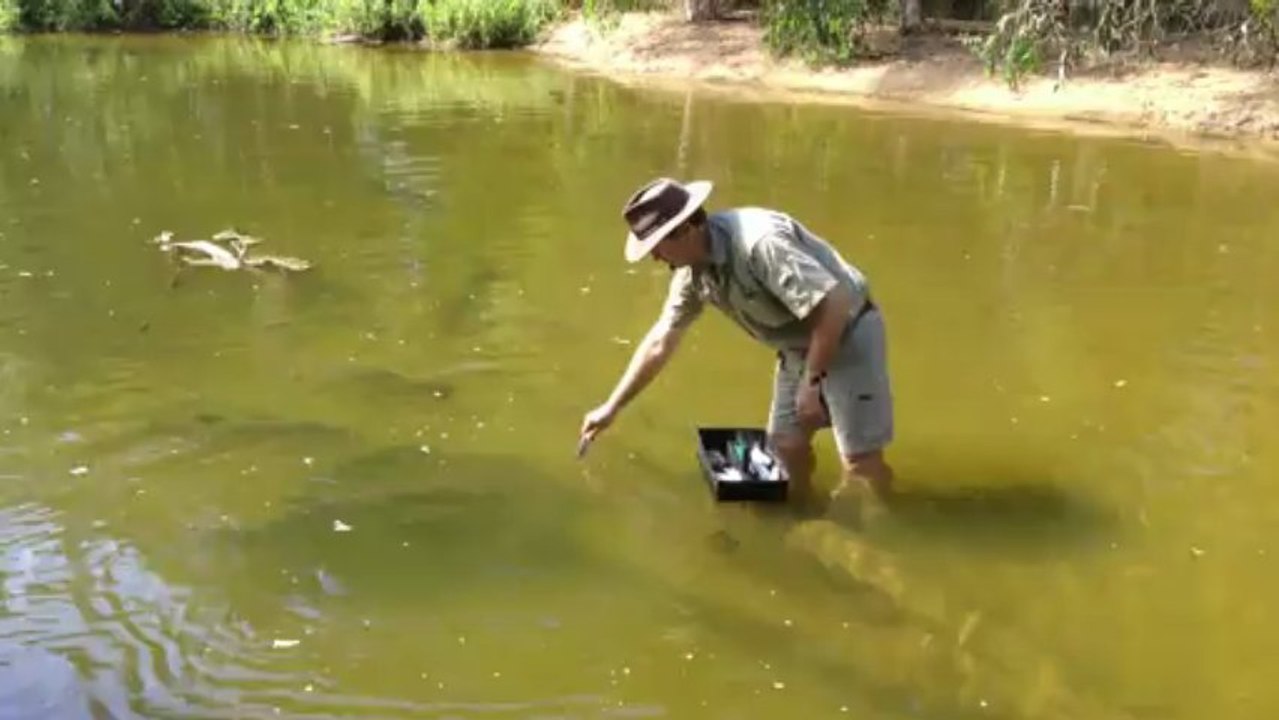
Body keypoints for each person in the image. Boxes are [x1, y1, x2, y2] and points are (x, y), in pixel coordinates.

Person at [578, 177, 895, 506]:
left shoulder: (760, 244)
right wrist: (611, 407)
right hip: (797, 344)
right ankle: (804, 514)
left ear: (685, 228)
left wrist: (812, 382)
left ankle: (875, 534)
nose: (655, 257)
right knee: (785, 446)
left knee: (859, 463)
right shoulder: (691, 270)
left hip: (848, 332)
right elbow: (661, 340)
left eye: (656, 245)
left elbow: (835, 304)